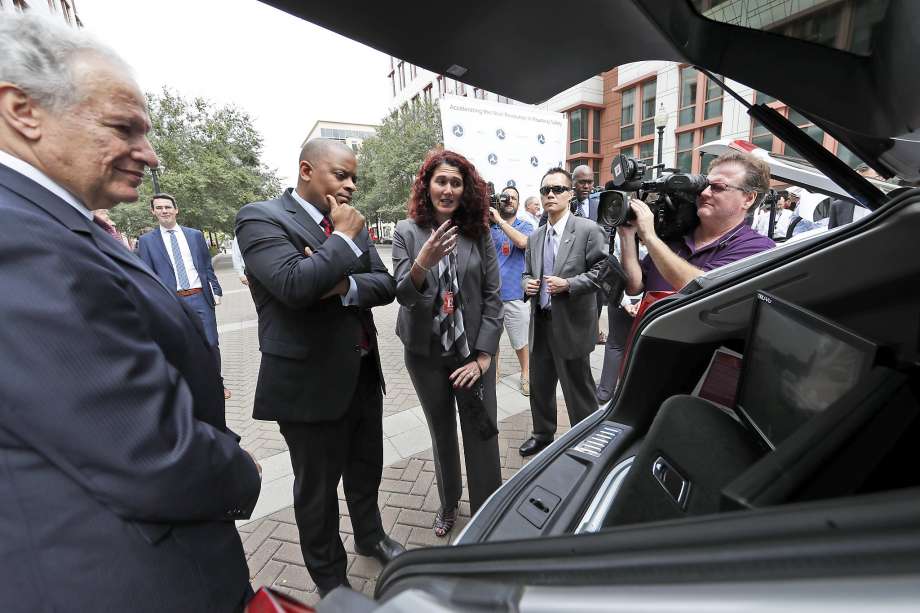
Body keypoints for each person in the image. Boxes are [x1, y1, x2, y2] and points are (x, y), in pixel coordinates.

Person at [0, 14, 261, 612]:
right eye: (124, 128)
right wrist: (240, 468)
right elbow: (151, 452)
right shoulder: (18, 237)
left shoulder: (56, 222)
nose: (150, 154)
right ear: (23, 111)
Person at [235, 138, 401, 597]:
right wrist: (343, 242)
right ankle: (331, 580)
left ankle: (372, 537)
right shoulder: (260, 217)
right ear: (307, 170)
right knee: (318, 491)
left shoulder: (350, 222)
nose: (350, 186)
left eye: (353, 178)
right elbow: (293, 285)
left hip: (363, 373)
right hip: (306, 385)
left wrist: (340, 280)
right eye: (340, 175)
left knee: (367, 469)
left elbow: (385, 285)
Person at [392, 149, 503, 537]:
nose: (448, 189)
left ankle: (489, 506)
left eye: (456, 182)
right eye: (441, 180)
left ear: (465, 189)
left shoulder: (481, 232)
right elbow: (404, 294)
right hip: (426, 354)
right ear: (427, 185)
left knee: (480, 430)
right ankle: (448, 504)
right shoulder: (406, 233)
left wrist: (485, 356)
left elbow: (493, 296)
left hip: (471, 354)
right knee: (442, 432)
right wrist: (423, 260)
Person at [519, 167, 608, 457]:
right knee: (540, 386)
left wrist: (569, 284)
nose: (551, 195)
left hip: (570, 324)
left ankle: (585, 439)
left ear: (570, 194)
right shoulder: (535, 237)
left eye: (558, 189)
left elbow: (602, 272)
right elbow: (527, 272)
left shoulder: (587, 230)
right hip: (541, 323)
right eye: (546, 190)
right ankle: (542, 434)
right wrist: (527, 284)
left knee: (578, 388)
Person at [620, 151, 776, 296]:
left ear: (748, 199)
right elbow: (634, 287)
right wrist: (627, 233)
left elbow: (697, 288)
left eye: (718, 187)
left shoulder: (758, 248)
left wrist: (649, 236)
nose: (704, 192)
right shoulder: (677, 232)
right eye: (705, 185)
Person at [137, 193, 230, 399]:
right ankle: (189, 389)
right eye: (159, 208)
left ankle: (217, 384)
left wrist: (216, 289)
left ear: (176, 210)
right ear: (153, 212)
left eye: (168, 207)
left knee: (211, 343)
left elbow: (206, 266)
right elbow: (147, 275)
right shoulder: (146, 241)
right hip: (172, 301)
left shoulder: (194, 235)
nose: (164, 211)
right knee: (179, 345)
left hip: (199, 297)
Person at [488, 185, 534, 395]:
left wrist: (499, 220)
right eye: (505, 197)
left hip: (516, 294)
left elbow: (523, 243)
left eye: (513, 198)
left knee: (520, 341)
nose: (509, 201)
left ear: (518, 202)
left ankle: (526, 374)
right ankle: (494, 372)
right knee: (492, 339)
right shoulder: (489, 228)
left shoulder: (525, 226)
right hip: (491, 296)